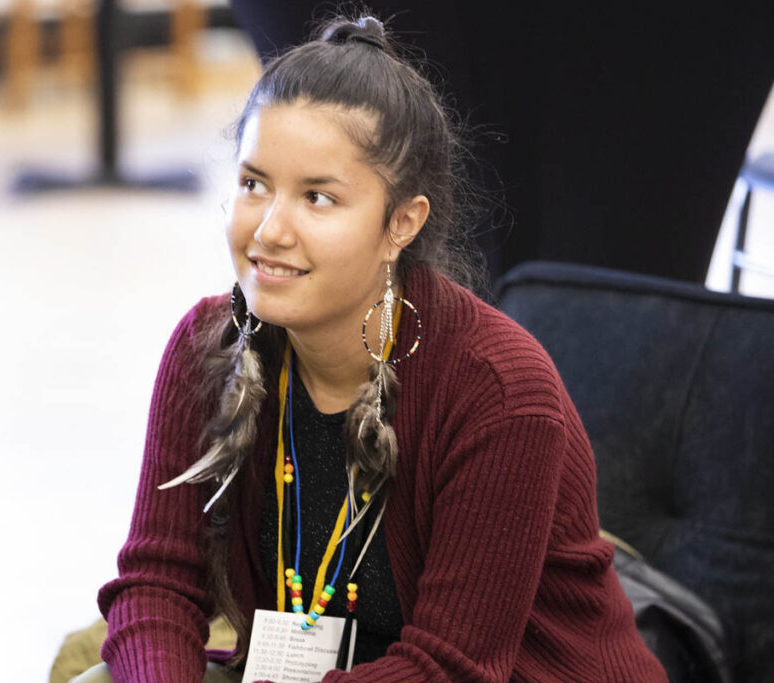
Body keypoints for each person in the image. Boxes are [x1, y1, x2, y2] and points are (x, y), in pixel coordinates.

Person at [86, 15, 667, 683]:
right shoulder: (206, 346)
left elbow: (449, 668)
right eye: (253, 183)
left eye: (318, 197)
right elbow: (157, 582)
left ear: (402, 223)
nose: (270, 230)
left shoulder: (499, 391)